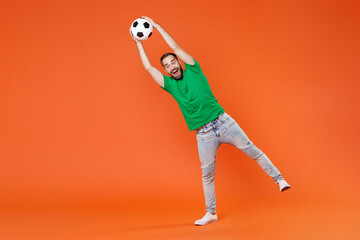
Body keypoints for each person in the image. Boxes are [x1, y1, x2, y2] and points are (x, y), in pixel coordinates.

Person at [130, 16, 291, 226]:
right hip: (203, 134)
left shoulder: (193, 69)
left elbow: (176, 46)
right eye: (167, 66)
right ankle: (211, 213)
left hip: (224, 122)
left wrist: (157, 27)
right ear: (166, 71)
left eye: (173, 62)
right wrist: (138, 43)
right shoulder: (169, 85)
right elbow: (149, 69)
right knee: (207, 174)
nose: (171, 67)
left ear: (179, 62)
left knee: (252, 150)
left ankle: (279, 180)